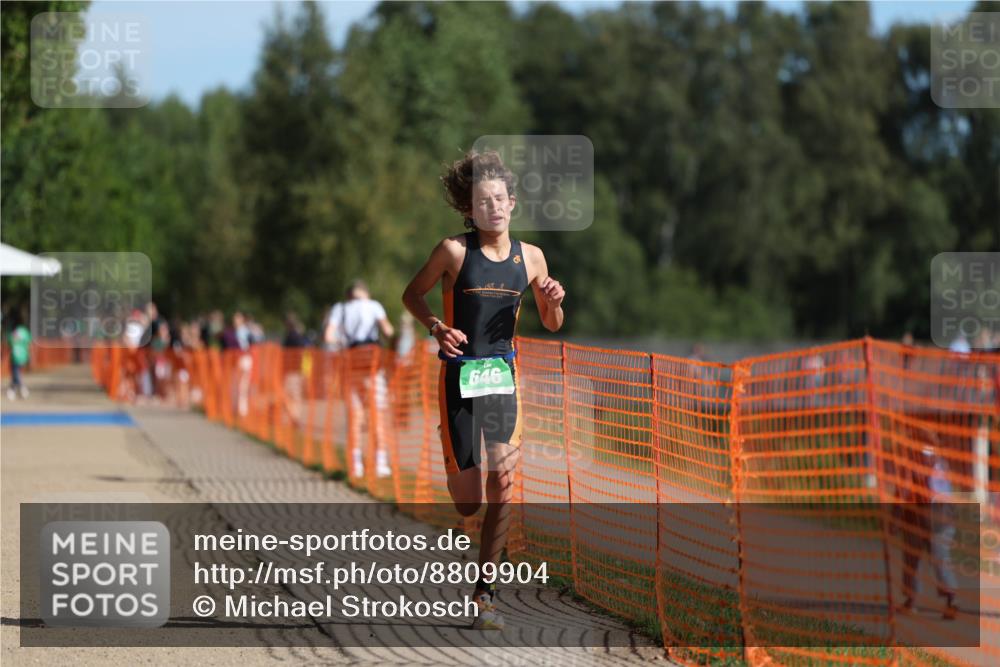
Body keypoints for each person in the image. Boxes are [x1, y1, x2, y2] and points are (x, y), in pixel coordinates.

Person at [402, 149, 566, 630]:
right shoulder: (453, 251)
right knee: (468, 502)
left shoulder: (531, 257)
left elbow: (553, 322)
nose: (492, 207)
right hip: (458, 377)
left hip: (502, 377)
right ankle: (452, 445)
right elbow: (412, 294)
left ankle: (485, 596)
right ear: (469, 210)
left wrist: (554, 300)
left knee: (504, 483)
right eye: (481, 201)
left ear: (512, 202)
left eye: (498, 199)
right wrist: (436, 326)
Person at [326, 281, 395, 478]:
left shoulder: (340, 309)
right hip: (372, 368)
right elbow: (388, 331)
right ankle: (380, 463)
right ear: (366, 292)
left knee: (354, 417)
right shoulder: (374, 306)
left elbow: (328, 336)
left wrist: (343, 342)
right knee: (377, 415)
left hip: (350, 366)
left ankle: (356, 464)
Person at [6, 312, 32, 400]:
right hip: (23, 355)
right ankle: (12, 391)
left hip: (15, 355)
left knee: (16, 373)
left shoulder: (13, 332)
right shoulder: (25, 331)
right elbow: (29, 344)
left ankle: (22, 388)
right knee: (16, 373)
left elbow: (9, 343)